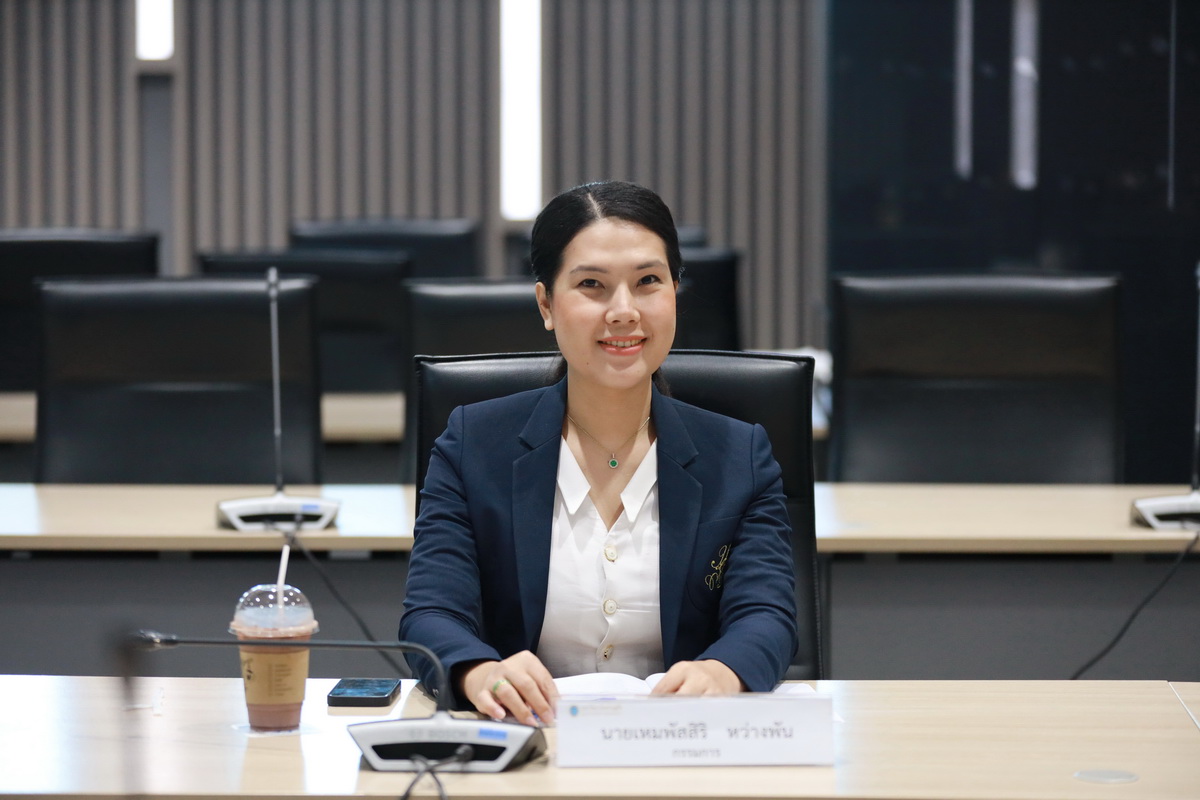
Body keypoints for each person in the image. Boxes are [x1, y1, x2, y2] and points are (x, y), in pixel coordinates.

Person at [400, 180, 797, 725]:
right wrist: (478, 671)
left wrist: (723, 672)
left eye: (648, 281)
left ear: (675, 292)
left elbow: (768, 615)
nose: (624, 311)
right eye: (592, 285)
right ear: (546, 304)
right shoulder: (473, 444)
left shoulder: (739, 455)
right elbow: (431, 613)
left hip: (681, 740)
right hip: (525, 737)